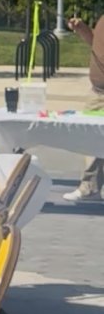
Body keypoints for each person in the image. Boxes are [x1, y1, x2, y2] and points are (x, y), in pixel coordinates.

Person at [63, 14, 104, 201]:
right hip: (97, 93)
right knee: (91, 139)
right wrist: (82, 29)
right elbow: (95, 43)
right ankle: (89, 186)